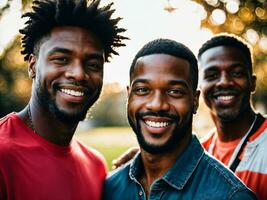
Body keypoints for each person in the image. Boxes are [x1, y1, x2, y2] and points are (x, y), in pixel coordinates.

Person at [0, 0, 127, 199]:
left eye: (93, 64)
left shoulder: (96, 165)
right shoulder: (2, 154)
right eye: (61, 59)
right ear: (33, 66)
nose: (78, 74)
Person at [103, 39, 256, 199]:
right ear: (129, 96)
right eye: (142, 90)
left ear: (195, 100)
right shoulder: (111, 187)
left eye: (175, 92)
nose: (157, 105)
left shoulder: (231, 196)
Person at [198, 33, 267, 200]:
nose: (224, 82)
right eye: (212, 75)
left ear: (252, 82)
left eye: (236, 73)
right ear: (199, 88)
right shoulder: (197, 154)